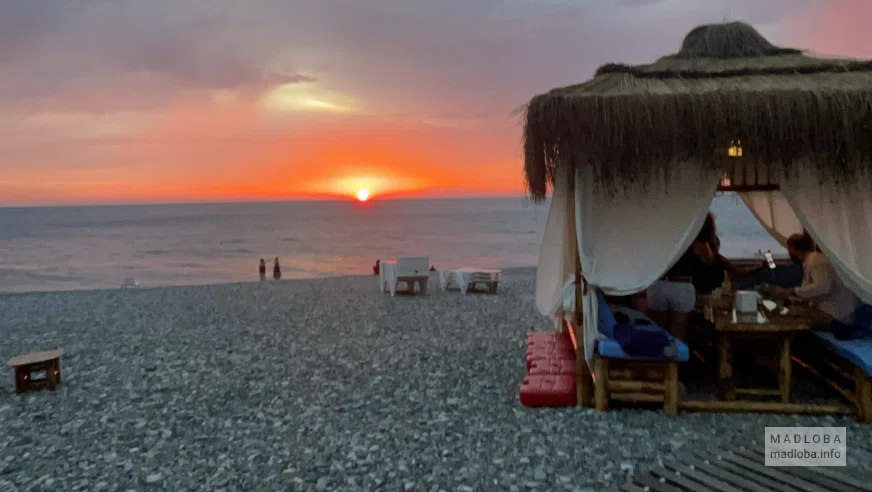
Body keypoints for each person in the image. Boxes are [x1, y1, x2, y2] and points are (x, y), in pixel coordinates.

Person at [647, 212, 718, 341]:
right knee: (678, 333)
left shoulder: (663, 227)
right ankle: (675, 359)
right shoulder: (694, 230)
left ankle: (659, 360)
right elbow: (707, 258)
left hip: (658, 281)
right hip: (681, 283)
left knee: (658, 331)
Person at [772, 233, 860, 337]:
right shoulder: (812, 261)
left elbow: (822, 288)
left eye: (789, 249)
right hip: (836, 313)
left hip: (839, 317)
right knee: (791, 312)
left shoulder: (816, 262)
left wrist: (792, 291)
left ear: (793, 249)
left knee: (791, 317)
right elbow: (814, 290)